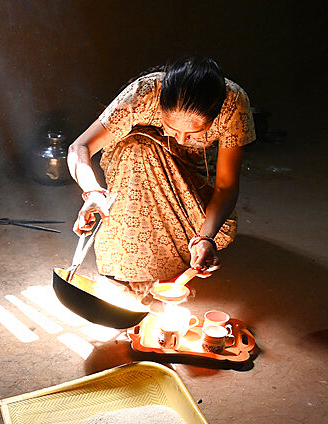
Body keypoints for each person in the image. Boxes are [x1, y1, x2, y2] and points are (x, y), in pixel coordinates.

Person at [67, 56, 255, 301]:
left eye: (194, 133)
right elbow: (79, 147)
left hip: (190, 170)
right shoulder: (144, 93)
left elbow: (226, 186)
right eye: (173, 129)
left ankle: (174, 253)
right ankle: (132, 265)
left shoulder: (233, 105)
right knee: (139, 148)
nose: (181, 140)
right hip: (133, 165)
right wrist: (92, 192)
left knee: (205, 227)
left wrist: (205, 237)